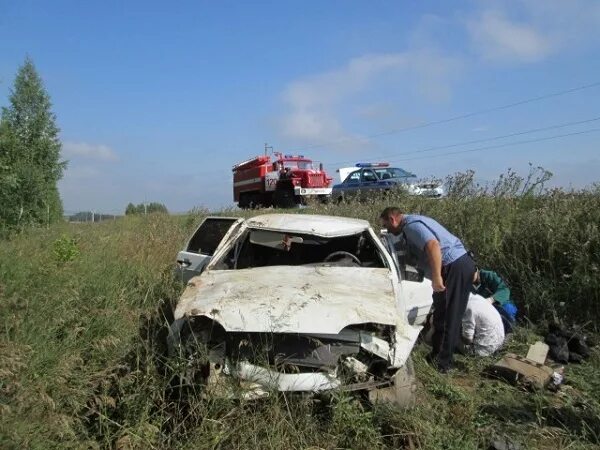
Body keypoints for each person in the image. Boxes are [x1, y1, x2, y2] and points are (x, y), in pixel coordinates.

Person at [380, 207, 475, 373]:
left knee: (449, 315)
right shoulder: (412, 224)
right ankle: (437, 355)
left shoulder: (411, 226)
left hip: (453, 267)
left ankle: (443, 364)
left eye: (386, 225)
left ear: (393, 219)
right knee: (442, 313)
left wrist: (437, 277)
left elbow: (432, 245)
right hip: (456, 265)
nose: (387, 229)